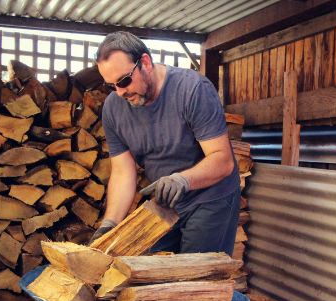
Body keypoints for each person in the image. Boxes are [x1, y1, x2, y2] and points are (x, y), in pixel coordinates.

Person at [90, 32, 240, 255]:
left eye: (123, 81)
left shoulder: (193, 90)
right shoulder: (113, 108)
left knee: (195, 280)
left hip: (210, 198)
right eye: (112, 86)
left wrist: (182, 180)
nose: (120, 92)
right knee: (147, 269)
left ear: (146, 63)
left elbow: (223, 160)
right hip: (166, 201)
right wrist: (109, 224)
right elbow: (123, 172)